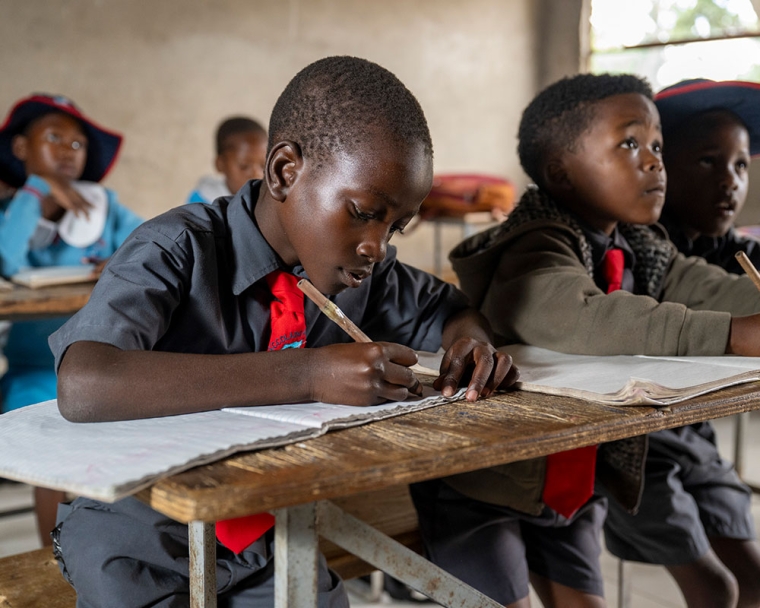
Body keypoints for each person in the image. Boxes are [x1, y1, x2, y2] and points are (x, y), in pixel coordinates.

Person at [48, 56, 519, 607]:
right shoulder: (177, 249)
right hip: (136, 533)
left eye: (396, 227)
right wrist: (310, 373)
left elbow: (449, 308)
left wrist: (473, 344)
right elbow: (85, 383)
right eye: (364, 212)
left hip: (261, 534)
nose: (378, 245)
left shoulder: (359, 272)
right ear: (285, 172)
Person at [416, 73, 760, 608]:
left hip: (571, 478)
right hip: (484, 484)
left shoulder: (642, 246)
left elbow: (709, 286)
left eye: (657, 145)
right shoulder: (532, 245)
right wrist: (735, 335)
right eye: (629, 143)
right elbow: (583, 317)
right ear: (562, 173)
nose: (652, 161)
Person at [0, 93, 143, 546]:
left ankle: (108, 553)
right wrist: (36, 191)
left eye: (77, 144)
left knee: (132, 438)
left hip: (104, 366)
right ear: (21, 149)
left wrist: (121, 260)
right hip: (36, 371)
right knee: (52, 441)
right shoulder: (10, 210)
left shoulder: (105, 208)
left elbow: (152, 246)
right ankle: (55, 561)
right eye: (54, 138)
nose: (67, 151)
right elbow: (6, 256)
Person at [655, 79, 760, 274]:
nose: (730, 181)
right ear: (660, 162)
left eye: (741, 164)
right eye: (708, 161)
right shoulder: (639, 251)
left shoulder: (729, 249)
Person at [186, 116, 268, 204]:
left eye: (263, 166)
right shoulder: (201, 203)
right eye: (244, 166)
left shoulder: (268, 200)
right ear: (220, 164)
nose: (256, 174)